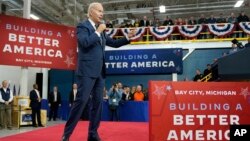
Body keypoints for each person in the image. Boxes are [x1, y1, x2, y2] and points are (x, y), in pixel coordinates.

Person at [61, 2, 136, 141]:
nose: (102, 14)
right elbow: (84, 42)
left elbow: (113, 43)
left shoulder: (100, 30)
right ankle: (67, 134)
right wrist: (98, 31)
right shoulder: (83, 26)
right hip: (86, 72)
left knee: (98, 105)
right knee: (81, 102)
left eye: (103, 11)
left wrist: (127, 38)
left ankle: (93, 134)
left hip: (100, 73)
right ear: (91, 12)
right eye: (99, 11)